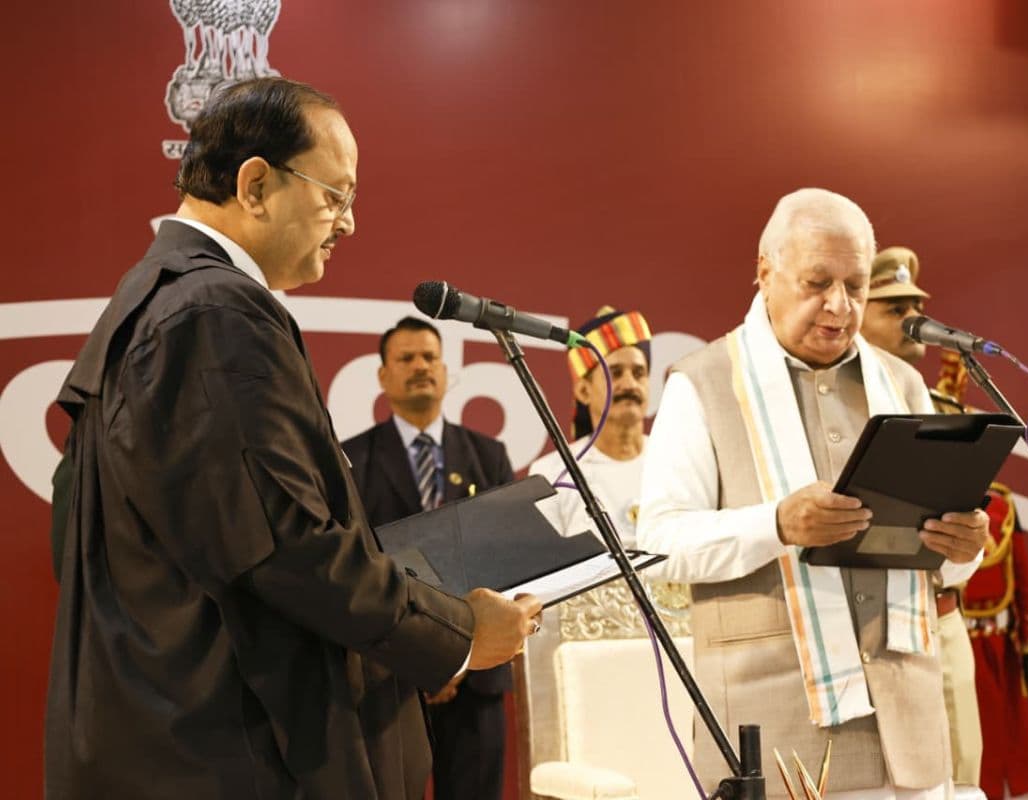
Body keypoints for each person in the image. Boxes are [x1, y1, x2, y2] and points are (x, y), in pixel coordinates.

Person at [44, 77, 541, 800]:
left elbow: (86, 534)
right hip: (222, 756)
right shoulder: (214, 313)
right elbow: (291, 549)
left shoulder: (151, 300)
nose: (348, 225)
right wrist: (457, 633)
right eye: (335, 196)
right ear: (254, 185)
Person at [637, 188, 989, 800]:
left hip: (907, 728)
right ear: (764, 274)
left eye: (855, 286)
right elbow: (659, 543)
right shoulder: (701, 383)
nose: (840, 305)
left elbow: (942, 566)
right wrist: (774, 524)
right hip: (773, 729)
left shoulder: (901, 383)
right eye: (817, 282)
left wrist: (965, 548)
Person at [341, 315, 515, 800]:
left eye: (429, 357)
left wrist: (458, 658)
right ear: (382, 376)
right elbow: (355, 569)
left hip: (478, 678)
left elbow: (504, 559)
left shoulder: (489, 455)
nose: (420, 366)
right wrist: (426, 657)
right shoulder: (351, 461)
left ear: (445, 370)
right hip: (390, 678)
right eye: (406, 358)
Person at [859, 246, 984, 789]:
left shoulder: (942, 409)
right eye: (892, 308)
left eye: (915, 306)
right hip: (871, 626)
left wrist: (963, 548)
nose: (912, 319)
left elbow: (959, 534)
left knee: (962, 773)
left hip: (942, 616)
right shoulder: (834, 411)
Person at [936, 352, 1028, 800]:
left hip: (998, 647)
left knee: (995, 753)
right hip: (949, 634)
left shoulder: (999, 503)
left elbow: (1021, 581)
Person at [528, 305, 652, 548]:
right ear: (584, 391)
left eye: (639, 373)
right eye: (614, 373)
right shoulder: (552, 473)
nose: (630, 384)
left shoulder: (678, 462)